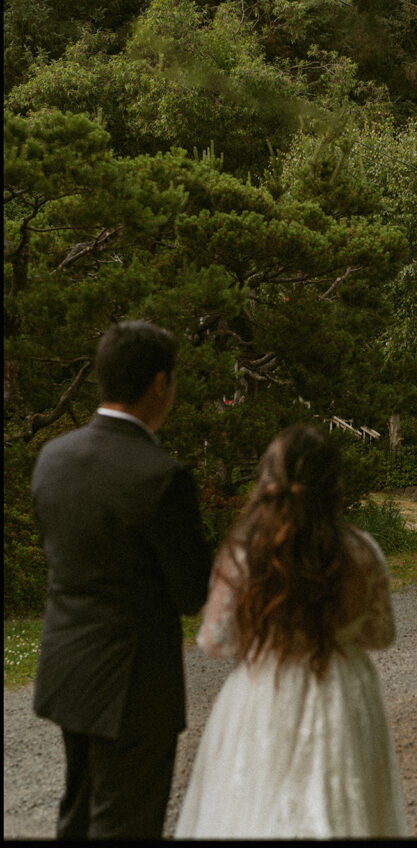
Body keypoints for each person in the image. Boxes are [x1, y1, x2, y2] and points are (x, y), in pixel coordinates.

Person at [175, 423, 408, 839]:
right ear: (332, 482)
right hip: (341, 691)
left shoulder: (244, 551)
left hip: (266, 688)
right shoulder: (361, 550)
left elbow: (216, 642)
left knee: (255, 812)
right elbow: (380, 634)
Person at [31, 320, 212, 839]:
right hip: (133, 684)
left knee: (77, 814)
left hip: (67, 666)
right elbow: (191, 591)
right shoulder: (160, 476)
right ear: (160, 383)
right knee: (125, 823)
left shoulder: (53, 458)